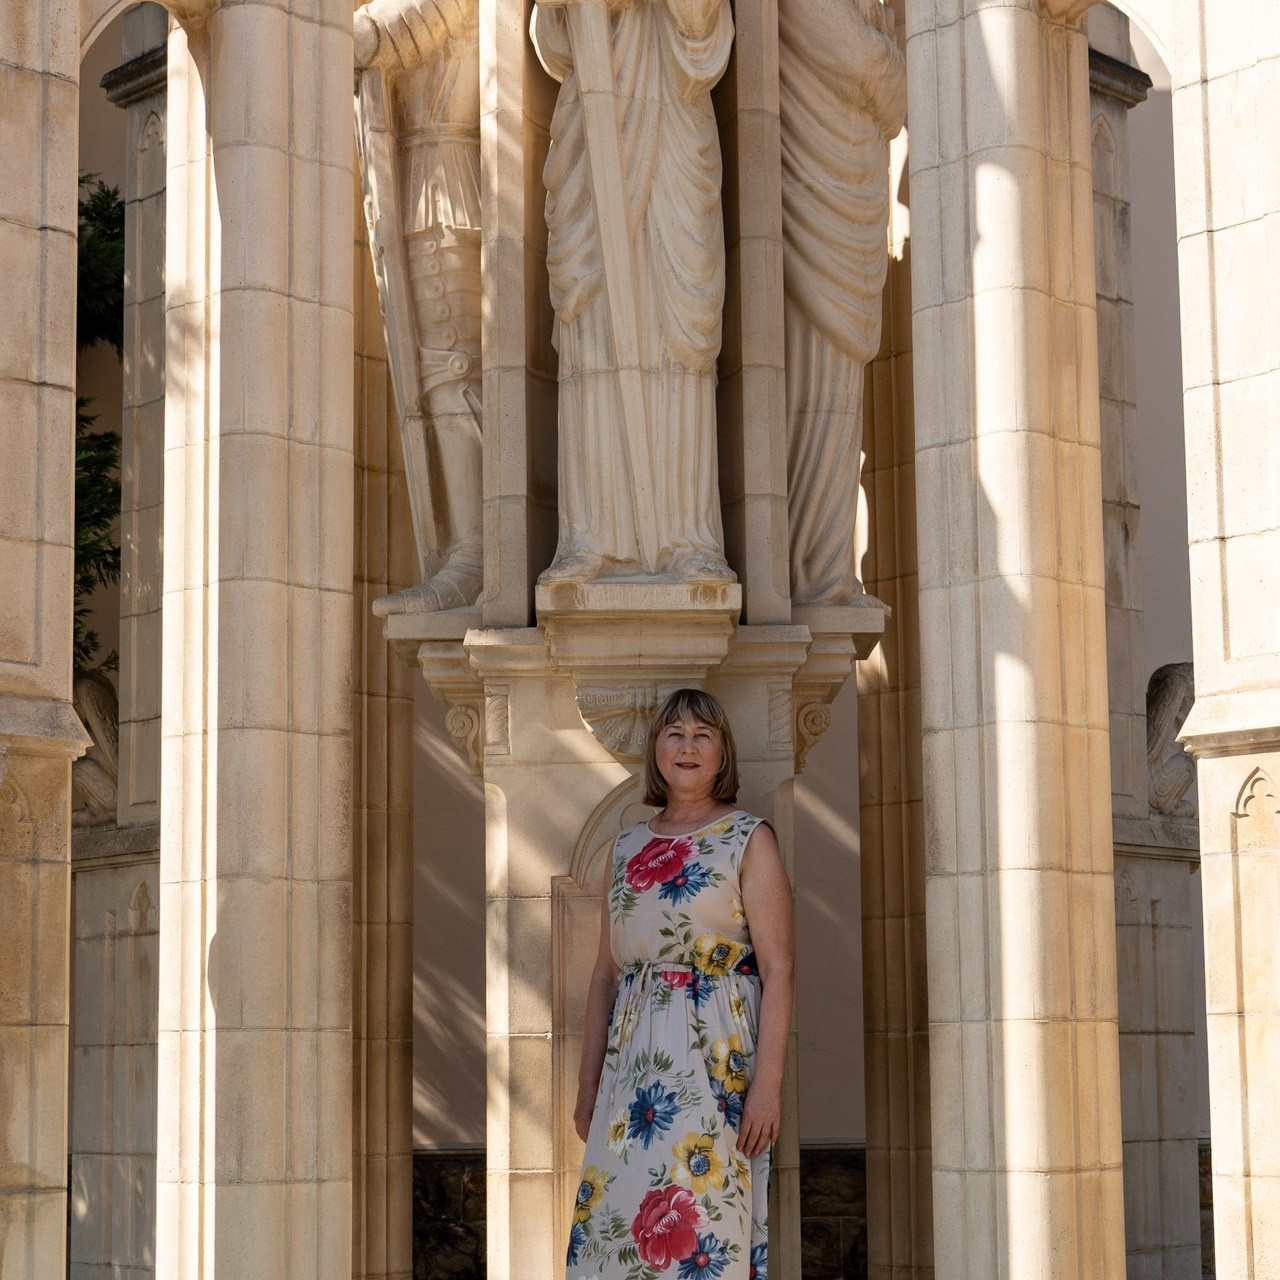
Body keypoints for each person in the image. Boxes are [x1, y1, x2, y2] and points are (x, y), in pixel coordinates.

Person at [566, 688, 794, 1279]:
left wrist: (766, 1089)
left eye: (702, 735)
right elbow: (603, 975)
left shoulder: (749, 838)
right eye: (674, 733)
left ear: (723, 754)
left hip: (718, 1063)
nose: (687, 746)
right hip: (632, 1072)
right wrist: (590, 1084)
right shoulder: (626, 847)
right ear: (656, 751)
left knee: (708, 1223)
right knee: (621, 1222)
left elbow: (779, 968)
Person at [530, 0, 736, 586]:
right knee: (591, 319)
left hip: (671, 115)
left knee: (682, 328)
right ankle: (592, 538)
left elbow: (704, 28)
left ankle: (687, 540)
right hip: (593, 124)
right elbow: (551, 36)